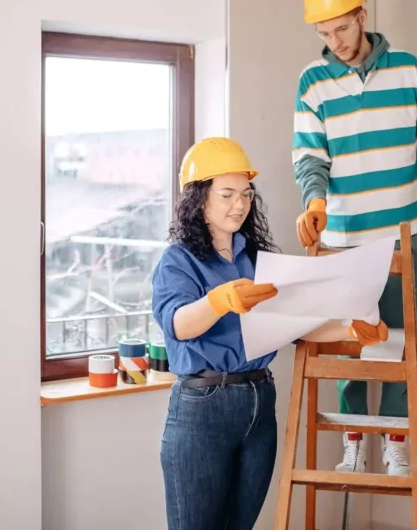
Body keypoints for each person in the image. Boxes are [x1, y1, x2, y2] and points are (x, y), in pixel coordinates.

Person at [154, 136, 389, 530]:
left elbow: (295, 324)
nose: (240, 204)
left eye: (245, 194)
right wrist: (219, 301)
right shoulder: (178, 260)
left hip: (260, 400)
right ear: (199, 199)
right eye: (227, 194)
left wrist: (352, 327)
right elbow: (177, 324)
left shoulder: (255, 258)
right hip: (203, 406)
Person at [292, 0, 417, 477]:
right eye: (324, 34)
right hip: (344, 237)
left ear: (362, 16)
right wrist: (314, 203)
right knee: (349, 346)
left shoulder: (409, 71)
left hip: (403, 234)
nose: (335, 42)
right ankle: (353, 444)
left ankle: (394, 443)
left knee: (397, 343)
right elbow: (309, 159)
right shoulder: (313, 82)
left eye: (341, 29)